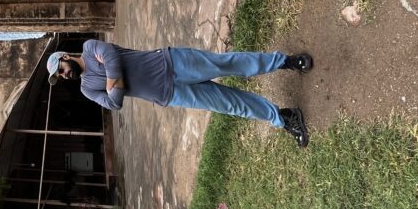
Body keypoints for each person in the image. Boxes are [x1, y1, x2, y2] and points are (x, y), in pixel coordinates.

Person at [46, 40, 313, 147]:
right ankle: (283, 117)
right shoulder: (85, 88)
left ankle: (286, 62)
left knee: (230, 64)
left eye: (61, 69)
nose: (64, 75)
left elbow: (112, 57)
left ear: (66, 57)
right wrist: (114, 82)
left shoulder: (90, 45)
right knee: (231, 105)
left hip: (171, 62)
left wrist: (113, 81)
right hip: (169, 94)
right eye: (60, 77)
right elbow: (113, 104)